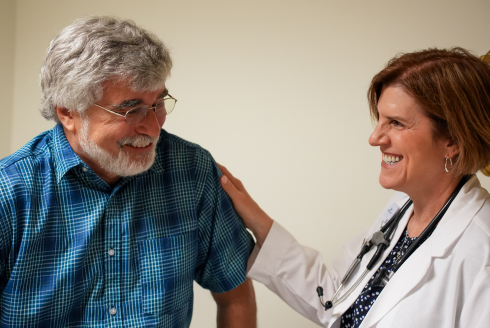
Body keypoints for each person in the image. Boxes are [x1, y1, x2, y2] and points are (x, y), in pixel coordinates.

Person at [0, 16, 256, 327]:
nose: (152, 127)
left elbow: (234, 293)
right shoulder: (9, 192)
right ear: (68, 111)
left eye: (158, 103)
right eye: (130, 108)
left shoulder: (192, 171)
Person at [219, 48, 490, 328]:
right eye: (380, 120)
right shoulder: (401, 209)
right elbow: (337, 297)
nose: (374, 138)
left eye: (396, 123)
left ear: (453, 140)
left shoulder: (481, 252)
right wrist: (258, 221)